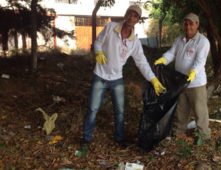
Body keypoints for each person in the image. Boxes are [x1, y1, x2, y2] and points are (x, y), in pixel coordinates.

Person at [79, 5, 165, 154]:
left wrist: (154, 80)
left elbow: (142, 63)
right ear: (126, 15)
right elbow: (98, 42)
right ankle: (86, 139)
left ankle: (119, 139)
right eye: (130, 14)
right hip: (100, 75)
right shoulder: (111, 27)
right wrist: (98, 52)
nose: (132, 18)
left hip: (117, 79)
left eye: (136, 16)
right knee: (93, 109)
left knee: (119, 111)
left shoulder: (134, 42)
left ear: (138, 20)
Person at [154, 13, 211, 141]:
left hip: (196, 83)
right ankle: (179, 132)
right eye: (186, 23)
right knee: (181, 109)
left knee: (200, 110)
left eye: (191, 23)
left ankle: (204, 135)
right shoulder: (179, 39)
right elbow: (171, 53)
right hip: (180, 82)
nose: (188, 26)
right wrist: (163, 59)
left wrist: (193, 72)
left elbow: (200, 61)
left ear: (197, 25)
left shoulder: (203, 42)